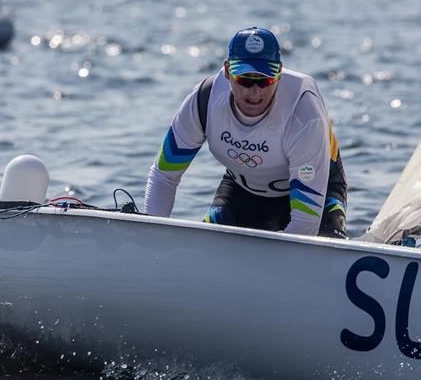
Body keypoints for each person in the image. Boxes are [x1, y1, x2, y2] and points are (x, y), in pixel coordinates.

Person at [144, 27, 348, 239]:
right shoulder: (204, 100)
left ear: (279, 73)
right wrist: (150, 240)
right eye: (244, 79)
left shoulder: (304, 114)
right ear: (227, 71)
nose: (254, 92)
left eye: (264, 81)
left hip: (317, 190)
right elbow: (164, 176)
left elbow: (305, 226)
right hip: (243, 190)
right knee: (207, 243)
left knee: (319, 247)